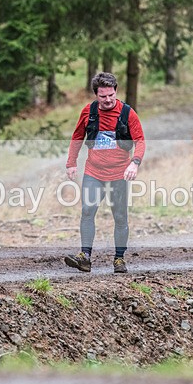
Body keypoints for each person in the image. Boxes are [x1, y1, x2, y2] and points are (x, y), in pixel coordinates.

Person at [64, 72, 145, 273]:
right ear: (96, 95)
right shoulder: (88, 112)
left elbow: (140, 141)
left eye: (111, 95)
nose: (108, 100)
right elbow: (77, 137)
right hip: (94, 172)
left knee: (120, 217)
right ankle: (85, 257)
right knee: (87, 211)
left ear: (116, 91)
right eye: (103, 96)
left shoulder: (127, 113)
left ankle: (119, 258)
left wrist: (134, 163)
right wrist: (71, 163)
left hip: (119, 174)